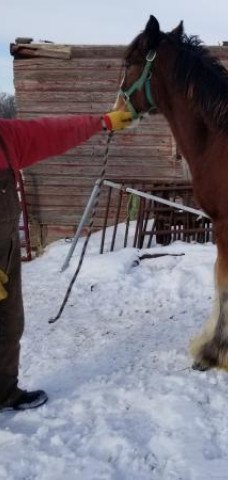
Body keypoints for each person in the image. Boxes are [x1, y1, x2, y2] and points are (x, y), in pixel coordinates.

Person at [0, 111, 132, 411]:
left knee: (9, 325)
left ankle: (4, 391)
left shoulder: (6, 138)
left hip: (5, 253)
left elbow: (49, 132)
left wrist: (102, 122)